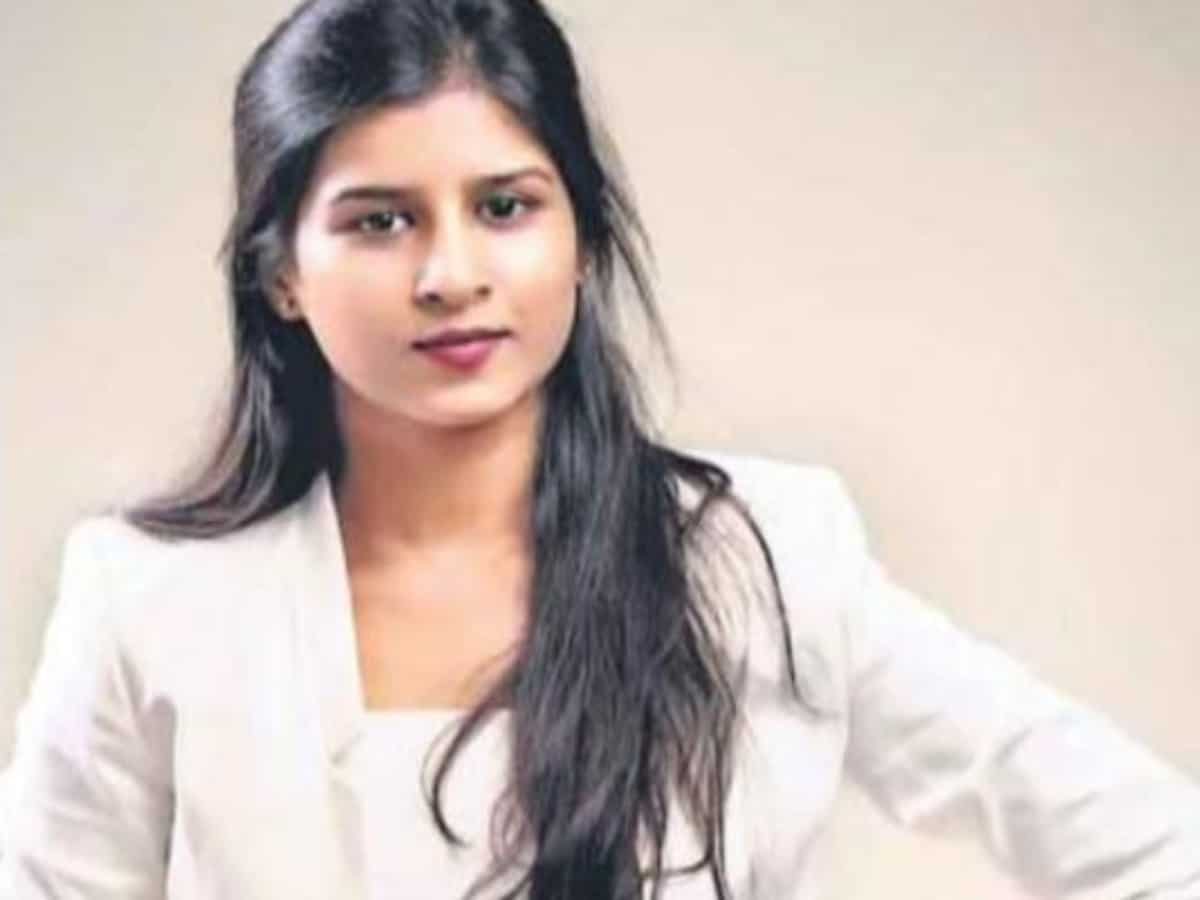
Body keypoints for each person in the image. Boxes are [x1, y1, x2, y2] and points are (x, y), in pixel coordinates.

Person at [1, 0, 1198, 897]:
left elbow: (1144, 843)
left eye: (505, 206)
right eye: (381, 220)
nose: (451, 274)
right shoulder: (151, 598)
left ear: (581, 239)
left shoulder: (763, 558)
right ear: (281, 276)